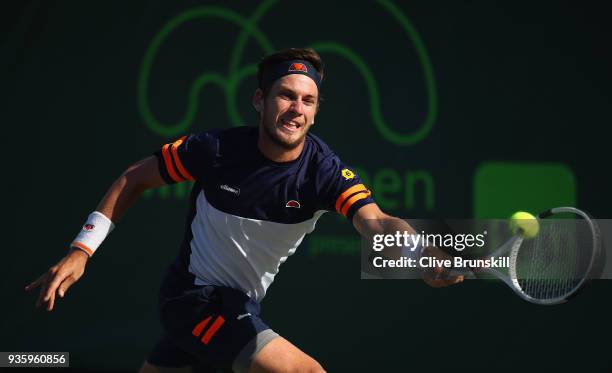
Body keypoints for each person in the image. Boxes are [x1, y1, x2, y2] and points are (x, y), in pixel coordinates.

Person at [26, 48, 462, 373]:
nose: (296, 109)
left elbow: (378, 221)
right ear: (260, 100)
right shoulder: (215, 150)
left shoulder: (324, 173)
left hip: (236, 306)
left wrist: (419, 253)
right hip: (193, 300)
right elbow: (134, 178)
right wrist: (82, 250)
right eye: (286, 96)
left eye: (308, 101)